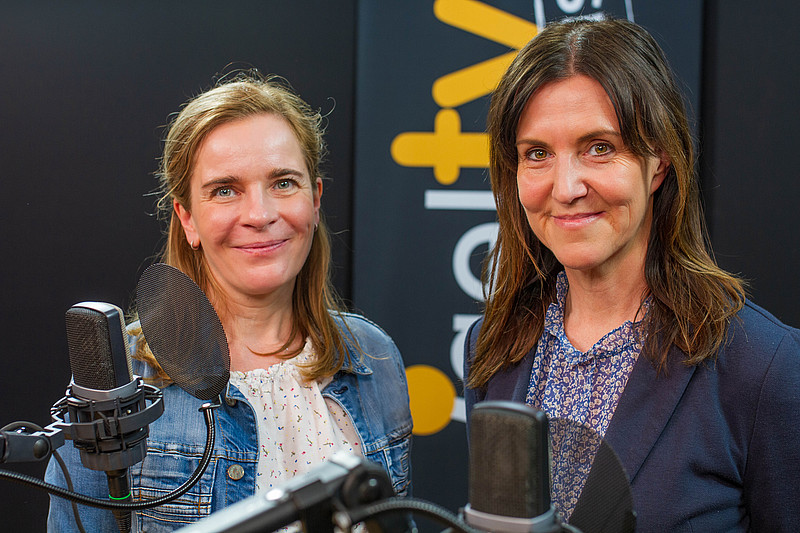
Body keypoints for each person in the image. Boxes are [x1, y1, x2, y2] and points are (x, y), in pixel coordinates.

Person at [463, 17, 800, 532]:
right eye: (537, 154)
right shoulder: (493, 346)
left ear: (659, 161)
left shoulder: (762, 368)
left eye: (599, 147)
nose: (566, 186)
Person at [46, 73, 412, 531]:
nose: (260, 215)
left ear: (315, 200)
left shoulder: (373, 355)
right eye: (225, 190)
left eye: (283, 182)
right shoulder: (121, 381)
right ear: (187, 219)